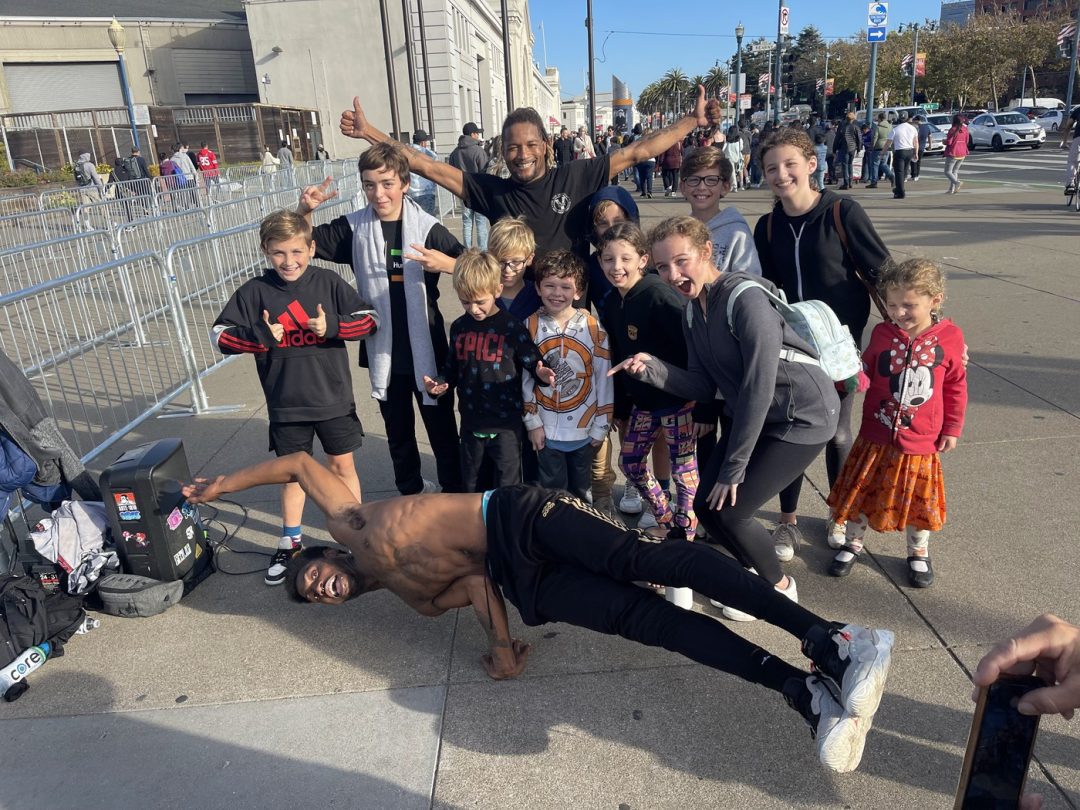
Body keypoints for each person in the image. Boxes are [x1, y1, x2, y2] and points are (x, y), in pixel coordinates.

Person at [183, 452, 896, 774]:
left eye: (311, 576)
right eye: (312, 596)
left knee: (645, 560)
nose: (318, 588)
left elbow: (297, 464)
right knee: (646, 623)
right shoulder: (416, 601)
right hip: (522, 582)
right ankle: (800, 691)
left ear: (325, 554)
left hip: (519, 515)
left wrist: (223, 485)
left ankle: (831, 638)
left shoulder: (354, 525)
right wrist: (501, 647)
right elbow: (474, 587)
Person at [613, 216, 839, 622]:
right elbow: (702, 385)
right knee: (705, 505)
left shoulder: (745, 300)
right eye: (663, 267)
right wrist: (651, 368)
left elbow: (758, 387)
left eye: (681, 261)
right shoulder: (692, 312)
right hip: (757, 413)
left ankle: (779, 589)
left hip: (801, 416)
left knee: (733, 510)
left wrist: (734, 468)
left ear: (706, 252)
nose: (673, 275)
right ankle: (754, 570)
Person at [337, 87, 721, 265]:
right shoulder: (491, 191)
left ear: (546, 145)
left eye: (530, 145)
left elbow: (638, 151)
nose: (522, 155)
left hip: (571, 313)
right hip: (518, 315)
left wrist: (692, 120)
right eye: (513, 147)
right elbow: (426, 165)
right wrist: (369, 132)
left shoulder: (575, 177)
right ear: (502, 150)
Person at [210, 210, 379, 585]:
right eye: (279, 253)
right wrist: (258, 335)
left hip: (333, 398)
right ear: (265, 251)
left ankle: (356, 538)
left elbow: (371, 319)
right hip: (285, 404)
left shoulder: (328, 281)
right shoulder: (254, 291)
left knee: (342, 467)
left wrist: (333, 325)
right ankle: (290, 541)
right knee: (292, 475)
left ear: (312, 248)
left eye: (297, 251)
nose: (289, 261)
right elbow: (219, 336)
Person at [295, 143, 466, 496]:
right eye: (369, 185)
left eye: (387, 184)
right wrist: (305, 211)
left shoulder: (428, 228)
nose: (379, 193)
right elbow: (303, 243)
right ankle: (411, 491)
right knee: (398, 434)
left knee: (442, 430)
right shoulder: (354, 227)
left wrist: (447, 264)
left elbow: (476, 268)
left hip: (428, 348)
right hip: (384, 350)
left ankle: (454, 492)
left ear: (405, 183)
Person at [752, 128, 890, 557]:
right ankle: (787, 521)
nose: (781, 174)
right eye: (771, 168)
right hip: (792, 346)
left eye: (790, 164)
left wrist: (927, 327)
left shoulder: (842, 213)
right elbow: (766, 288)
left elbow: (884, 272)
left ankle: (840, 512)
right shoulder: (767, 227)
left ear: (812, 164)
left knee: (838, 433)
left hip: (840, 347)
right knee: (790, 430)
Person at [826, 259, 967, 587]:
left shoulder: (950, 337)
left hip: (920, 440)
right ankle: (853, 542)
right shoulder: (882, 333)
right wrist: (848, 375)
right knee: (862, 491)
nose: (899, 313)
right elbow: (865, 369)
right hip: (875, 434)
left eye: (909, 305)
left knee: (919, 502)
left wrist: (952, 428)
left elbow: (956, 386)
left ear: (935, 300)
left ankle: (918, 552)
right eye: (891, 305)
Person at [423, 249, 554, 492]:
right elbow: (451, 369)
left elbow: (533, 361)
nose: (473, 309)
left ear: (497, 290)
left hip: (507, 427)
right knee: (473, 487)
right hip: (471, 425)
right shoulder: (459, 327)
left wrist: (543, 374)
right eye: (465, 301)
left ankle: (505, 519)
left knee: (508, 489)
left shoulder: (512, 327)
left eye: (480, 301)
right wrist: (439, 384)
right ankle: (477, 519)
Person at [601, 222, 699, 540]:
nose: (617, 267)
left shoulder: (659, 295)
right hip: (643, 403)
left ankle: (685, 534)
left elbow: (693, 347)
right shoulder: (611, 302)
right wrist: (620, 406)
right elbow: (617, 355)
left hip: (677, 400)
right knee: (631, 462)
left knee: (684, 470)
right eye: (608, 259)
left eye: (625, 259)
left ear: (643, 260)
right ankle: (666, 518)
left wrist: (702, 402)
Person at [522, 250, 612, 501]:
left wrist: (601, 425)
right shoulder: (530, 326)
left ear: (579, 292)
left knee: (582, 494)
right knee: (553, 496)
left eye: (565, 286)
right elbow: (525, 379)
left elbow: (604, 379)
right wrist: (532, 422)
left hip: (585, 431)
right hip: (546, 431)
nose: (557, 293)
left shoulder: (593, 328)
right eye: (549, 285)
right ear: (538, 288)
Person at [679, 146, 762, 276]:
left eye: (711, 180)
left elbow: (750, 279)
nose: (701, 187)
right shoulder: (677, 231)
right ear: (683, 187)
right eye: (694, 180)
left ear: (725, 187)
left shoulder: (737, 233)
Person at [489, 216, 541, 322]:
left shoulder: (539, 296)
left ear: (529, 259)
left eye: (516, 262)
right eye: (501, 261)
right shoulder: (482, 292)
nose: (508, 270)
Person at [448, 122, 490, 249]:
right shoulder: (479, 151)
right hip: (479, 192)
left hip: (462, 191)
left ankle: (467, 251)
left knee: (466, 222)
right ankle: (483, 252)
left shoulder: (455, 153)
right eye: (477, 133)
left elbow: (450, 172)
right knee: (481, 223)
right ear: (472, 134)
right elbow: (485, 172)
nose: (478, 136)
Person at [408, 129, 440, 218]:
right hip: (426, 192)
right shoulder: (429, 154)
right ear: (423, 143)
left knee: (415, 220)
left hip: (410, 193)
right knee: (428, 221)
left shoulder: (406, 152)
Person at [890, 113, 919, 200]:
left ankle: (900, 191)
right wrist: (916, 152)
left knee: (899, 172)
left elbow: (888, 142)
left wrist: (883, 152)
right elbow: (916, 142)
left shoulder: (896, 129)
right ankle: (899, 189)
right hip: (909, 151)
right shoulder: (912, 128)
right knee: (904, 171)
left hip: (900, 151)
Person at [866, 113, 894, 190]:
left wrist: (871, 147)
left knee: (875, 164)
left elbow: (875, 137)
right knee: (883, 164)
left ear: (880, 119)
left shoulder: (878, 127)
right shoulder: (890, 126)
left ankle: (874, 182)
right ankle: (891, 176)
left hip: (878, 148)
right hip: (887, 147)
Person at [943, 115, 969, 194]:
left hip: (953, 152)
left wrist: (944, 141)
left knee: (947, 172)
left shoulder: (953, 129)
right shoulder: (965, 129)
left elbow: (949, 142)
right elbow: (967, 141)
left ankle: (957, 182)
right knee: (955, 171)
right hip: (963, 152)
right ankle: (952, 189)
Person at [722, 126, 744, 192]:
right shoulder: (739, 139)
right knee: (739, 170)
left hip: (729, 157)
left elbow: (723, 148)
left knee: (732, 172)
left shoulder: (727, 138)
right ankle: (739, 185)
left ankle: (734, 186)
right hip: (737, 157)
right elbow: (741, 148)